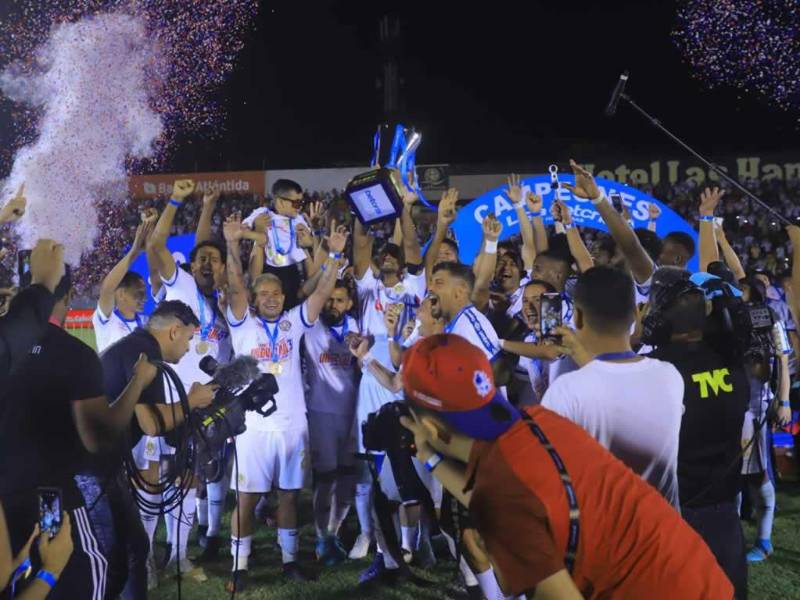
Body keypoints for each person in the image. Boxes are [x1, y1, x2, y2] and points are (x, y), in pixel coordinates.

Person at [399, 334, 734, 599]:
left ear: (433, 428)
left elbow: (504, 504)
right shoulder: (538, 421)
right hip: (701, 578)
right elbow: (507, 497)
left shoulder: (502, 499)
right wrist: (429, 456)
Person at [223, 212, 347, 591]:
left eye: (276, 293)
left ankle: (290, 561)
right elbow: (234, 286)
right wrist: (231, 245)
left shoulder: (294, 321)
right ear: (254, 300)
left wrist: (333, 257)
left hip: (293, 424)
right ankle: (239, 566)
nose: (272, 298)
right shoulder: (243, 323)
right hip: (253, 427)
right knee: (246, 498)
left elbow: (323, 293)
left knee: (290, 496)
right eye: (264, 294)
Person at [89, 300, 215, 597]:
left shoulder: (136, 345)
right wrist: (194, 400)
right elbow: (153, 424)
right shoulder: (147, 354)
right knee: (114, 551)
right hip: (91, 467)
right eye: (189, 337)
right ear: (175, 331)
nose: (188, 347)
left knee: (132, 545)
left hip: (99, 462)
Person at [540, 266, 685, 508]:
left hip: (603, 539)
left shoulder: (566, 391)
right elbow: (616, 384)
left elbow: (547, 474)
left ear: (577, 317)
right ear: (636, 315)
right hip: (663, 536)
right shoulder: (670, 376)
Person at [146, 178, 235, 571]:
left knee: (194, 479)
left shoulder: (227, 300)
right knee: (155, 478)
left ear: (222, 267)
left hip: (207, 402)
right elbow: (155, 246)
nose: (206, 263)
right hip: (166, 399)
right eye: (201, 259)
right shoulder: (180, 282)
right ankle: (147, 556)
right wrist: (178, 201)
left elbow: (210, 251)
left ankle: (184, 553)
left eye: (214, 260)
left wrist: (210, 209)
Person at [644, 271, 750, 599]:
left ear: (659, 324)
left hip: (672, 515)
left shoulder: (653, 371)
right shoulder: (734, 365)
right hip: (724, 517)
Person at [301, 279, 360, 566]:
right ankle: (321, 537)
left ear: (349, 304)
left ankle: (334, 532)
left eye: (339, 300)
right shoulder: (310, 327)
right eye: (329, 299)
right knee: (325, 477)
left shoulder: (359, 330)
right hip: (321, 412)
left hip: (353, 413)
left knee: (348, 476)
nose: (332, 305)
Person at [242, 179, 314, 308]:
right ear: (280, 202)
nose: (300, 207)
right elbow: (243, 229)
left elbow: (309, 241)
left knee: (292, 302)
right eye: (296, 203)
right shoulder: (262, 214)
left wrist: (307, 238)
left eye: (301, 202)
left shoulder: (298, 218)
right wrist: (258, 235)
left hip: (292, 269)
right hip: (269, 269)